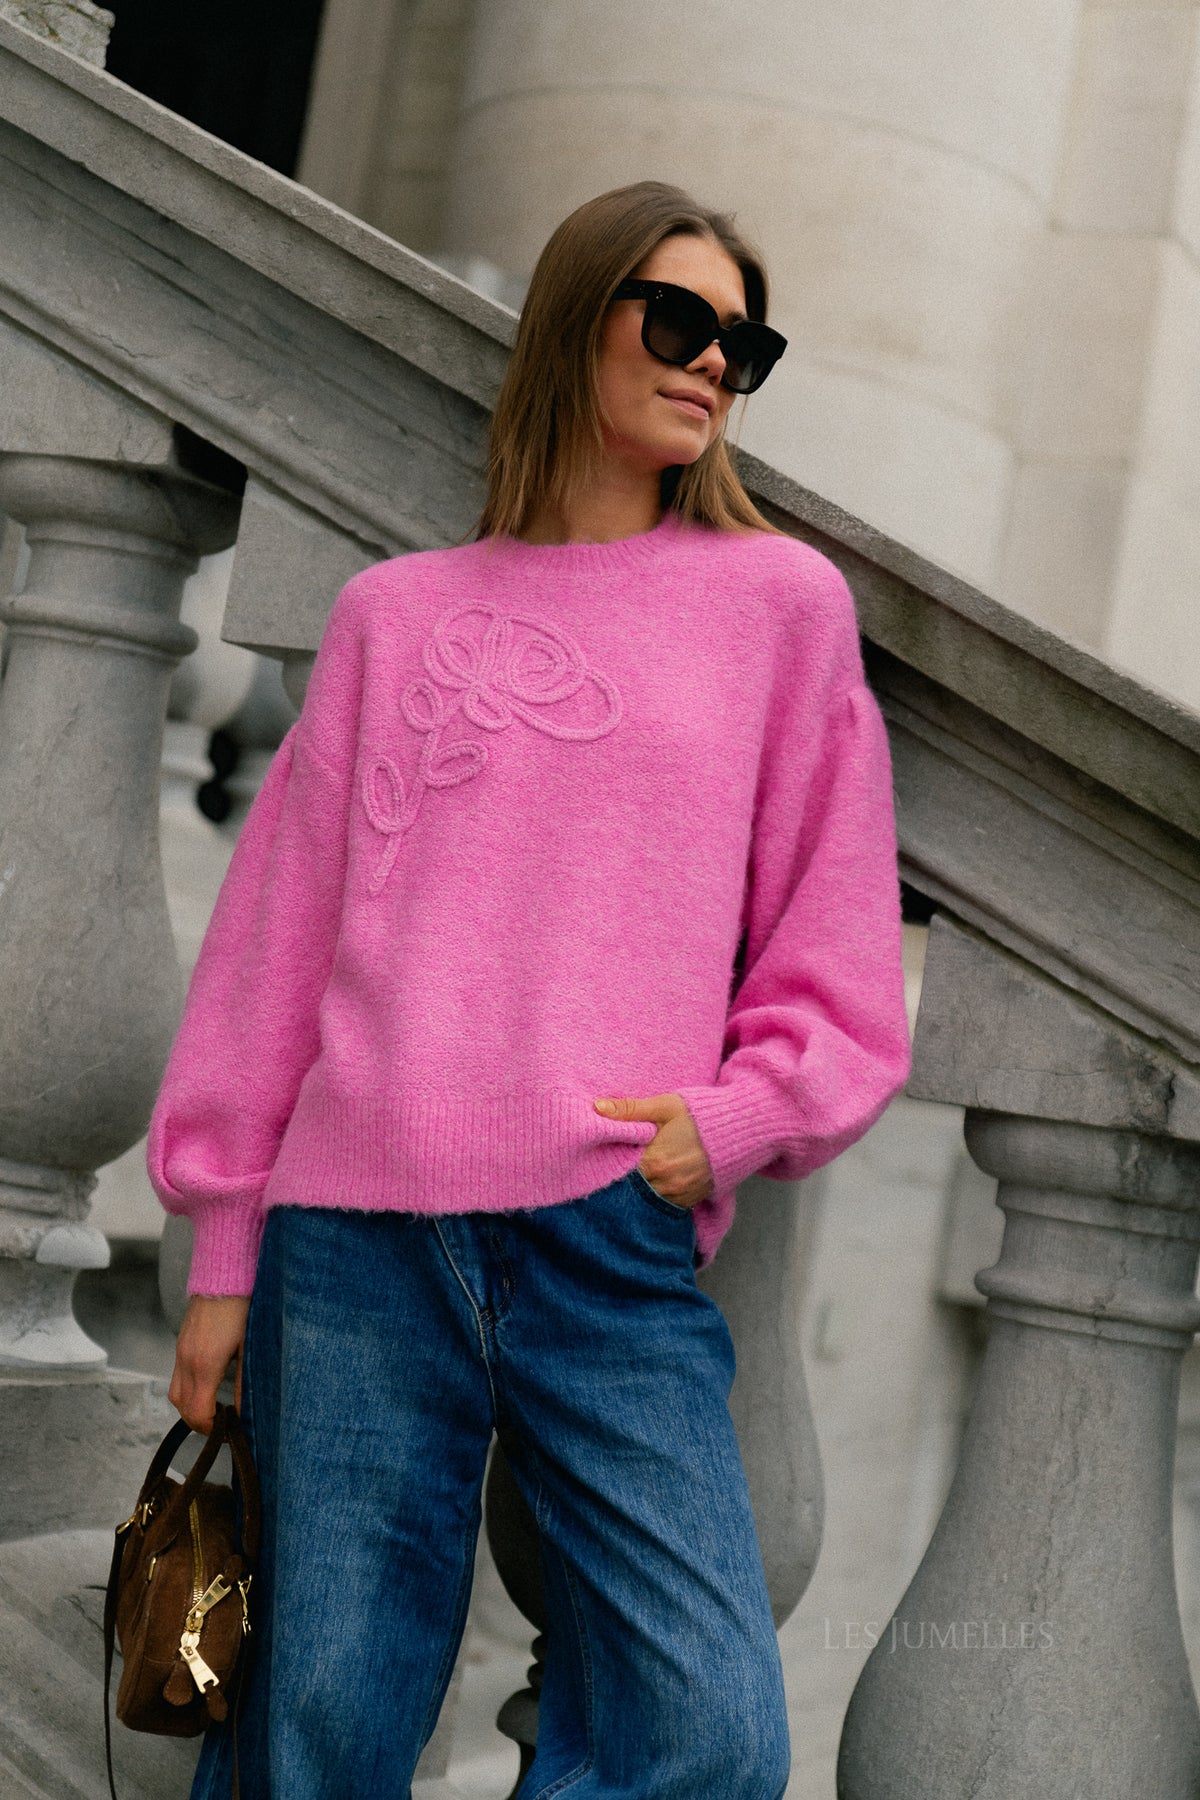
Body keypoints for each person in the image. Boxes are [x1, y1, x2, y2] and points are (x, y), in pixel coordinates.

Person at [149, 178, 912, 1800]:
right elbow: (275, 949)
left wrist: (734, 1120)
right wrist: (222, 1251)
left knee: (709, 1732)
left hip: (608, 1227)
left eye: (746, 344)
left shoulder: (779, 606)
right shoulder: (395, 613)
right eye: (681, 320)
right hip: (353, 1238)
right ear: (578, 320)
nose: (714, 364)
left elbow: (837, 956)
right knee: (317, 1733)